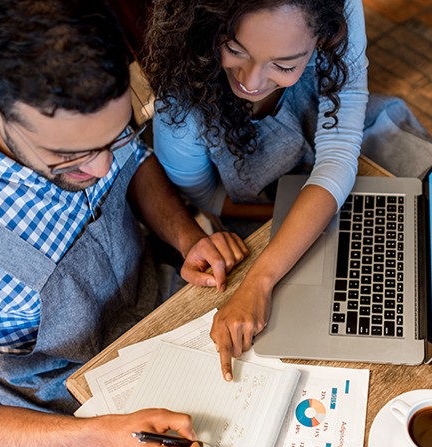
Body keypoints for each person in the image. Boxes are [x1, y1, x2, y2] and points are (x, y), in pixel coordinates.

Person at [0, 1, 248, 447]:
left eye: (117, 134)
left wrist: (187, 238)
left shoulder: (85, 118)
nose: (104, 166)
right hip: (60, 408)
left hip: (163, 311)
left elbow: (133, 163)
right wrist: (96, 436)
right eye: (71, 157)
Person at [144, 0, 402, 382]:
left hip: (349, 160)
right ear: (205, 25)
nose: (251, 80)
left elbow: (340, 148)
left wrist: (261, 280)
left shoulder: (340, 11)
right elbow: (212, 200)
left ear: (322, 39)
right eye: (235, 50)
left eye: (284, 66)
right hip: (254, 211)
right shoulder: (179, 112)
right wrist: (292, 218)